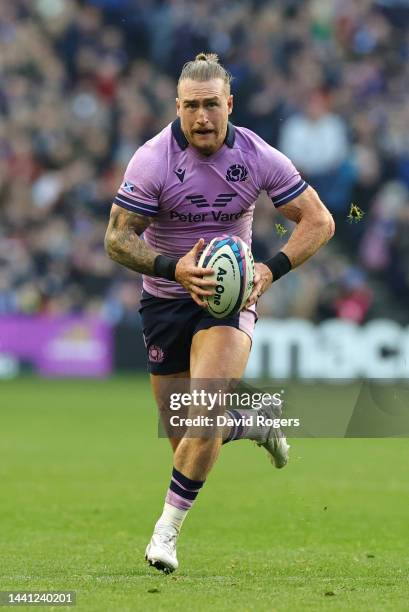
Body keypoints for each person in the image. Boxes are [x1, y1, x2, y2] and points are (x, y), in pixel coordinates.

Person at [104, 53, 335, 573]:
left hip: (229, 303)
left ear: (229, 104)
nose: (202, 117)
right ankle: (252, 422)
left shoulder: (256, 156)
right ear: (177, 107)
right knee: (184, 434)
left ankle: (165, 534)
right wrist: (172, 266)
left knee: (203, 413)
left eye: (211, 105)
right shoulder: (152, 160)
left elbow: (318, 221)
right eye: (191, 106)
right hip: (165, 299)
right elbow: (117, 239)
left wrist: (269, 270)